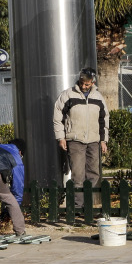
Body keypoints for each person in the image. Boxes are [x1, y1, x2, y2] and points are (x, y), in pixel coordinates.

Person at [53, 67, 109, 208]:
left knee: (94, 174)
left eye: (87, 84)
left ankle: (89, 206)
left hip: (94, 141)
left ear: (93, 82)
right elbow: (57, 117)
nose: (84, 86)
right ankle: (77, 207)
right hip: (75, 140)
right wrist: (61, 137)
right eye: (82, 83)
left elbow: (103, 120)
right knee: (78, 175)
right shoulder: (68, 95)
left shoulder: (98, 97)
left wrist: (103, 140)